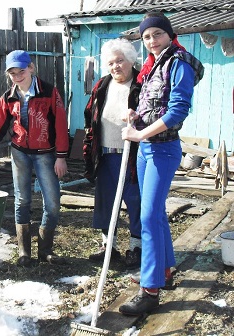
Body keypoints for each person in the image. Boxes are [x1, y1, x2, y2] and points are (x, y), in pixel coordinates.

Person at [119, 12, 204, 316]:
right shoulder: (154, 64)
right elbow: (152, 105)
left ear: (169, 34)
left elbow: (177, 111)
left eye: (157, 34)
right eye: (146, 36)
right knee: (154, 215)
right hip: (146, 150)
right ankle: (164, 272)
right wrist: (135, 116)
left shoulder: (178, 63)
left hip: (163, 150)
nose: (152, 41)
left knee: (149, 217)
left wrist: (140, 133)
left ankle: (149, 291)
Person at [0, 50, 69, 266]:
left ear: (31, 68)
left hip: (46, 155)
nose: (18, 76)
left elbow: (60, 125)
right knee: (22, 200)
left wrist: (61, 156)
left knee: (53, 203)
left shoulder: (49, 92)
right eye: (12, 73)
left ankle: (45, 250)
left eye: (21, 71)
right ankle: (24, 252)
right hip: (20, 153)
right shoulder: (8, 97)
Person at [83, 38, 142, 270]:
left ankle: (136, 247)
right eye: (111, 63)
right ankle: (109, 245)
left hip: (132, 155)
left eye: (120, 61)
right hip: (106, 154)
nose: (116, 66)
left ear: (130, 60)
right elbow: (90, 114)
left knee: (134, 199)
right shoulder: (102, 85)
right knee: (107, 201)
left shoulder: (141, 84)